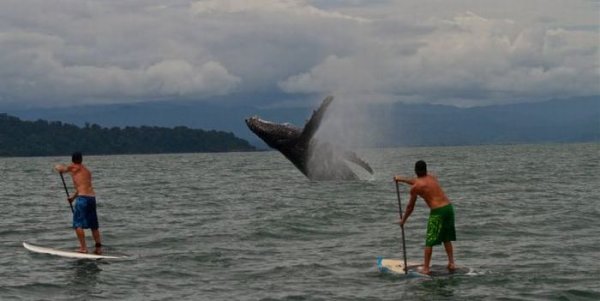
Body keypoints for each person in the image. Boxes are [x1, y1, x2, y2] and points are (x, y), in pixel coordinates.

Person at [394, 160, 455, 274]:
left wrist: (403, 221)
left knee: (429, 241)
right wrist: (400, 179)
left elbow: (410, 207)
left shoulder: (416, 187)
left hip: (438, 212)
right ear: (426, 170)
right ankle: (451, 263)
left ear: (415, 171)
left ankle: (426, 268)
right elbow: (417, 181)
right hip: (449, 208)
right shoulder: (432, 177)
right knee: (446, 237)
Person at [54, 152, 102, 254]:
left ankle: (83, 248)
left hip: (83, 199)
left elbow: (61, 169)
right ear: (81, 159)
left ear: (73, 160)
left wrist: (56, 166)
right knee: (94, 225)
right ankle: (98, 248)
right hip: (91, 198)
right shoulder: (87, 171)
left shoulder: (74, 167)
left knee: (77, 224)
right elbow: (82, 186)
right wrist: (72, 197)